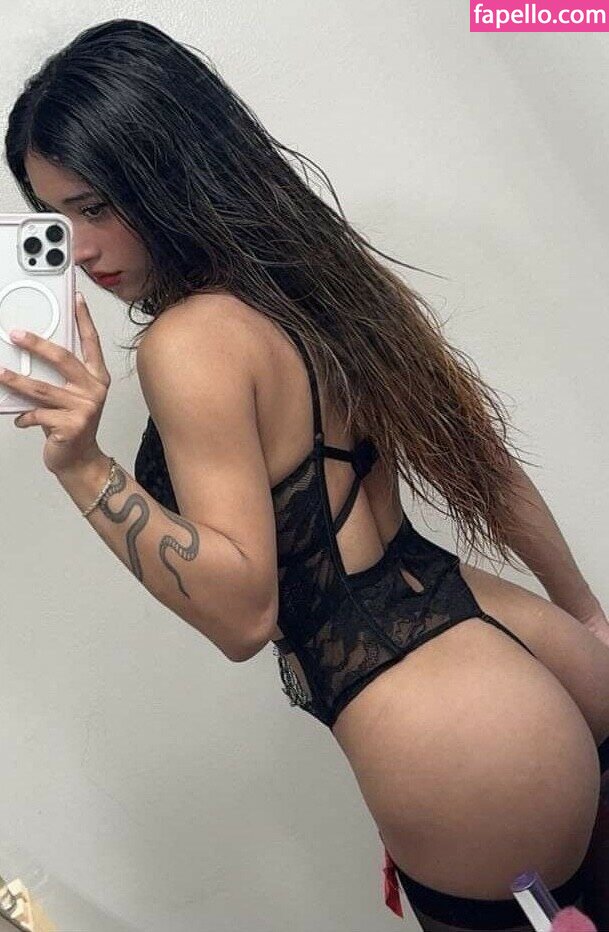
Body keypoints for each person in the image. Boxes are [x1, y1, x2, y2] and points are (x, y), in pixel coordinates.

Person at [3, 18, 609, 932]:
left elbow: (242, 615)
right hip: (535, 651)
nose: (81, 251)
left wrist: (83, 465)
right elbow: (480, 455)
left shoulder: (188, 341)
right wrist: (586, 616)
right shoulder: (320, 279)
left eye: (96, 207)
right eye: (59, 218)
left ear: (166, 170)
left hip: (456, 749)